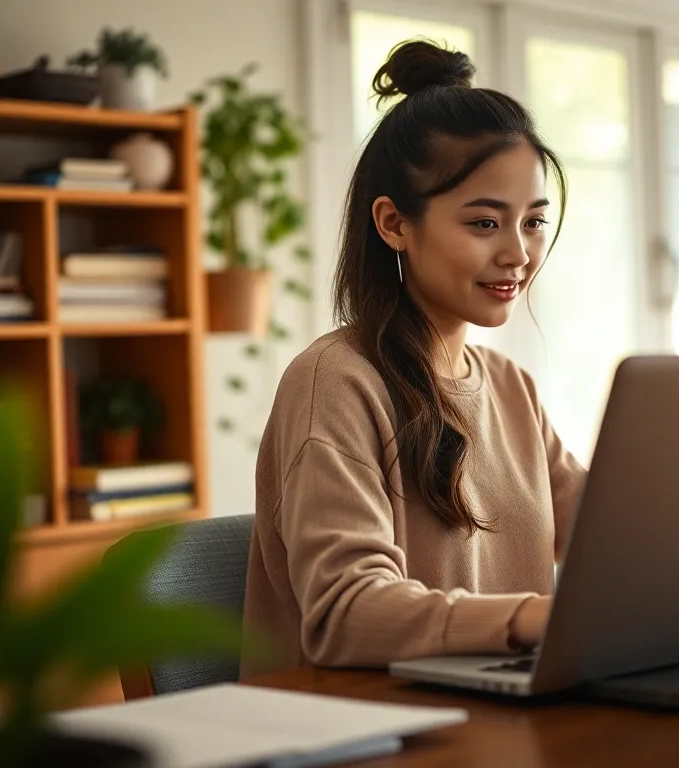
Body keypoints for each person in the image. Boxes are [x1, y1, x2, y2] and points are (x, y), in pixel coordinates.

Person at [239, 39, 588, 677]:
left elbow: (607, 534)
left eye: (534, 221)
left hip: (494, 718)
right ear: (394, 223)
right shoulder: (334, 384)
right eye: (485, 223)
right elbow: (345, 613)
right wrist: (532, 620)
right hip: (355, 733)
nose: (518, 253)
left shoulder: (512, 389)